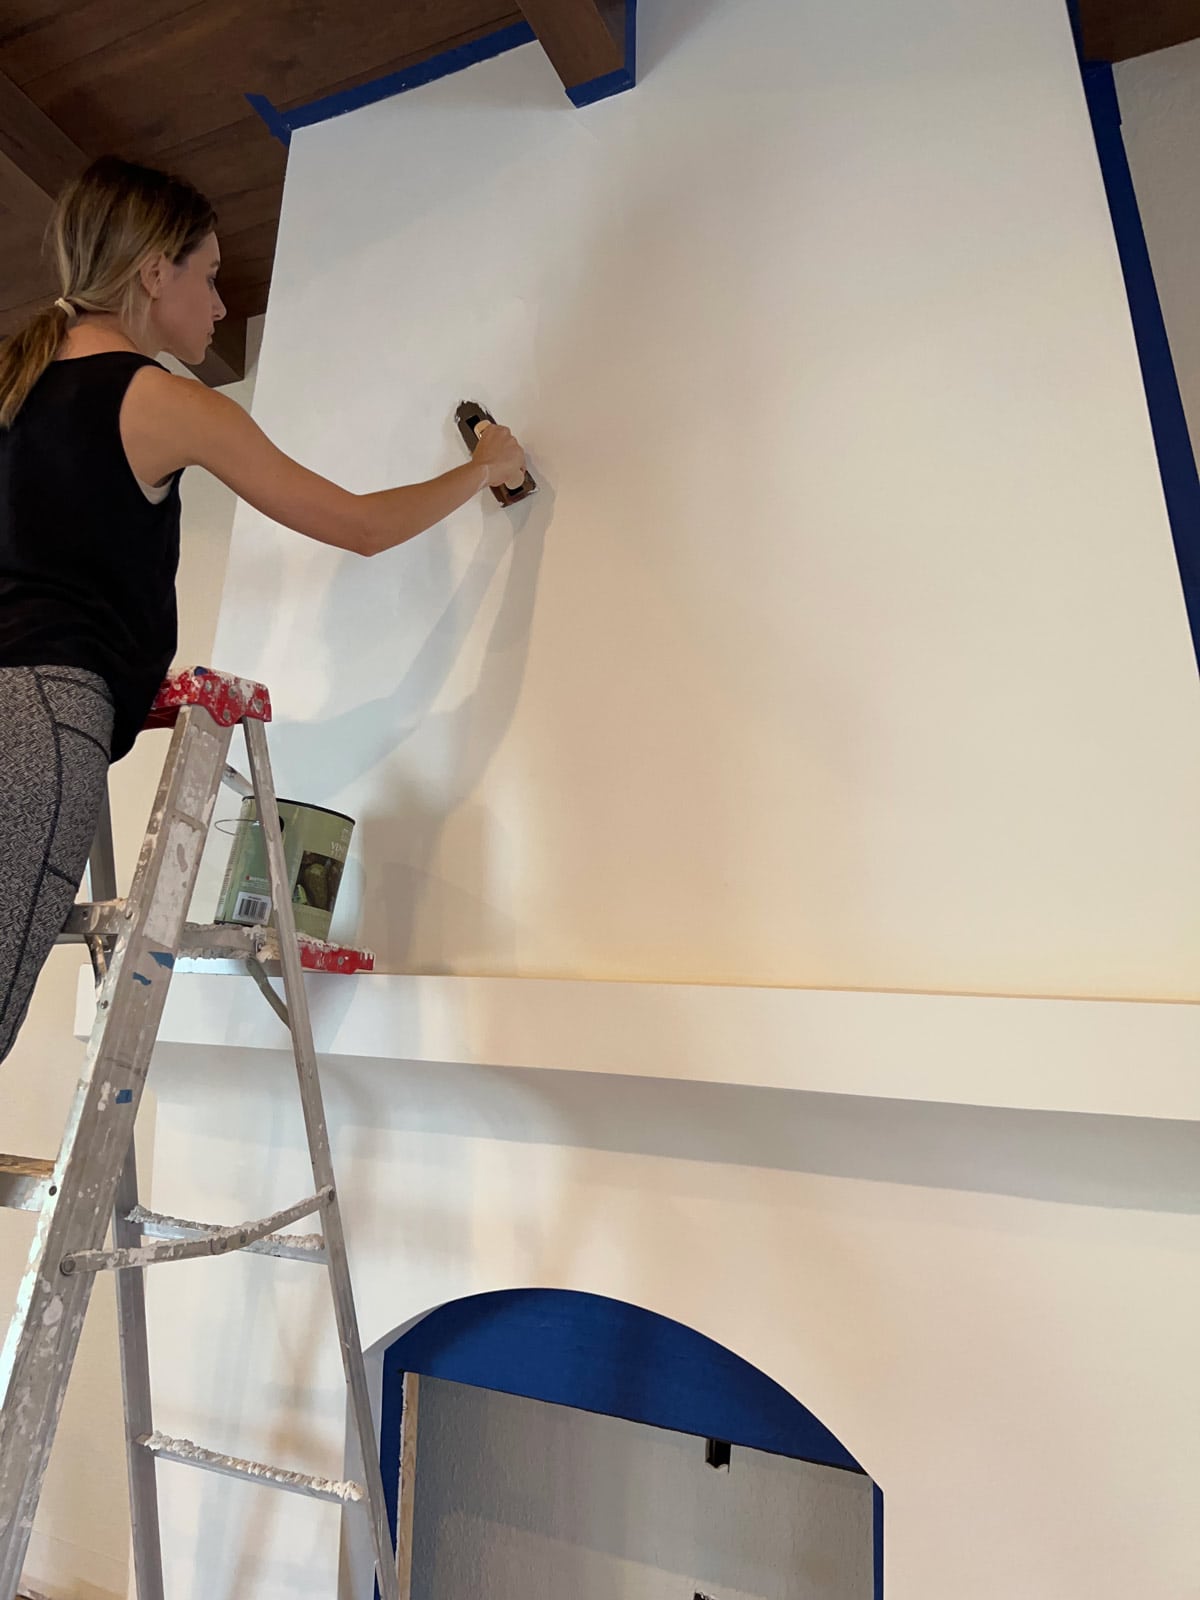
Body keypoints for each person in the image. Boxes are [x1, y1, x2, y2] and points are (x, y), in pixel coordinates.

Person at [0, 154, 527, 1064]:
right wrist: (488, 467)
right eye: (206, 275)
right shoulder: (161, 400)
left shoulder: (13, 390)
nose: (217, 304)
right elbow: (359, 526)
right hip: (42, 726)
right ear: (151, 272)